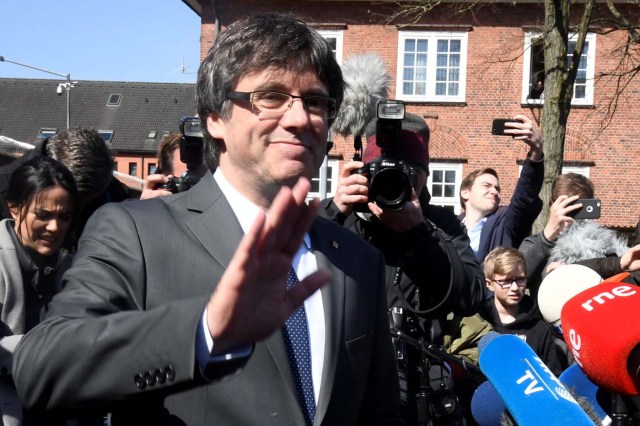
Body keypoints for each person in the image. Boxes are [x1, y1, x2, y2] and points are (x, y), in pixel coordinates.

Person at [13, 12, 402, 425]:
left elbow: (380, 412)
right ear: (215, 118)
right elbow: (43, 368)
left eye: (315, 101)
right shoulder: (136, 233)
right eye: (270, 97)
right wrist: (206, 332)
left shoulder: (358, 259)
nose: (299, 118)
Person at [320, 113, 485, 424]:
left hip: (421, 385)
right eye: (382, 172)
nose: (394, 182)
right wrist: (333, 212)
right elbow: (289, 276)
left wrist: (419, 233)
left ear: (425, 175)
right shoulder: (339, 218)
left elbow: (473, 296)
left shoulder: (440, 224)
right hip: (347, 381)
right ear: (363, 172)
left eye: (408, 173)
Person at [0, 156, 80, 425]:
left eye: (64, 216)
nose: (55, 227)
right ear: (14, 208)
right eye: (43, 215)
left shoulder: (75, 267)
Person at [0, 128, 129, 246]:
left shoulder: (106, 186)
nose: (54, 227)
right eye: (43, 214)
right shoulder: (4, 189)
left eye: (90, 200)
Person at [458, 115, 544, 262]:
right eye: (486, 185)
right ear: (465, 192)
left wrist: (536, 152)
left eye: (497, 188)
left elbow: (524, 198)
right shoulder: (448, 227)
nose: (494, 191)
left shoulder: (504, 224)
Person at [479, 247, 569, 377]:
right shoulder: (480, 322)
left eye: (520, 279)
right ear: (489, 284)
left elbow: (553, 375)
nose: (515, 287)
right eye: (506, 281)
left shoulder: (539, 327)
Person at [519, 172, 596, 298]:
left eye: (578, 209)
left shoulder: (599, 242)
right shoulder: (534, 243)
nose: (573, 214)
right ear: (552, 206)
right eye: (568, 207)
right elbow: (516, 277)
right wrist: (548, 236)